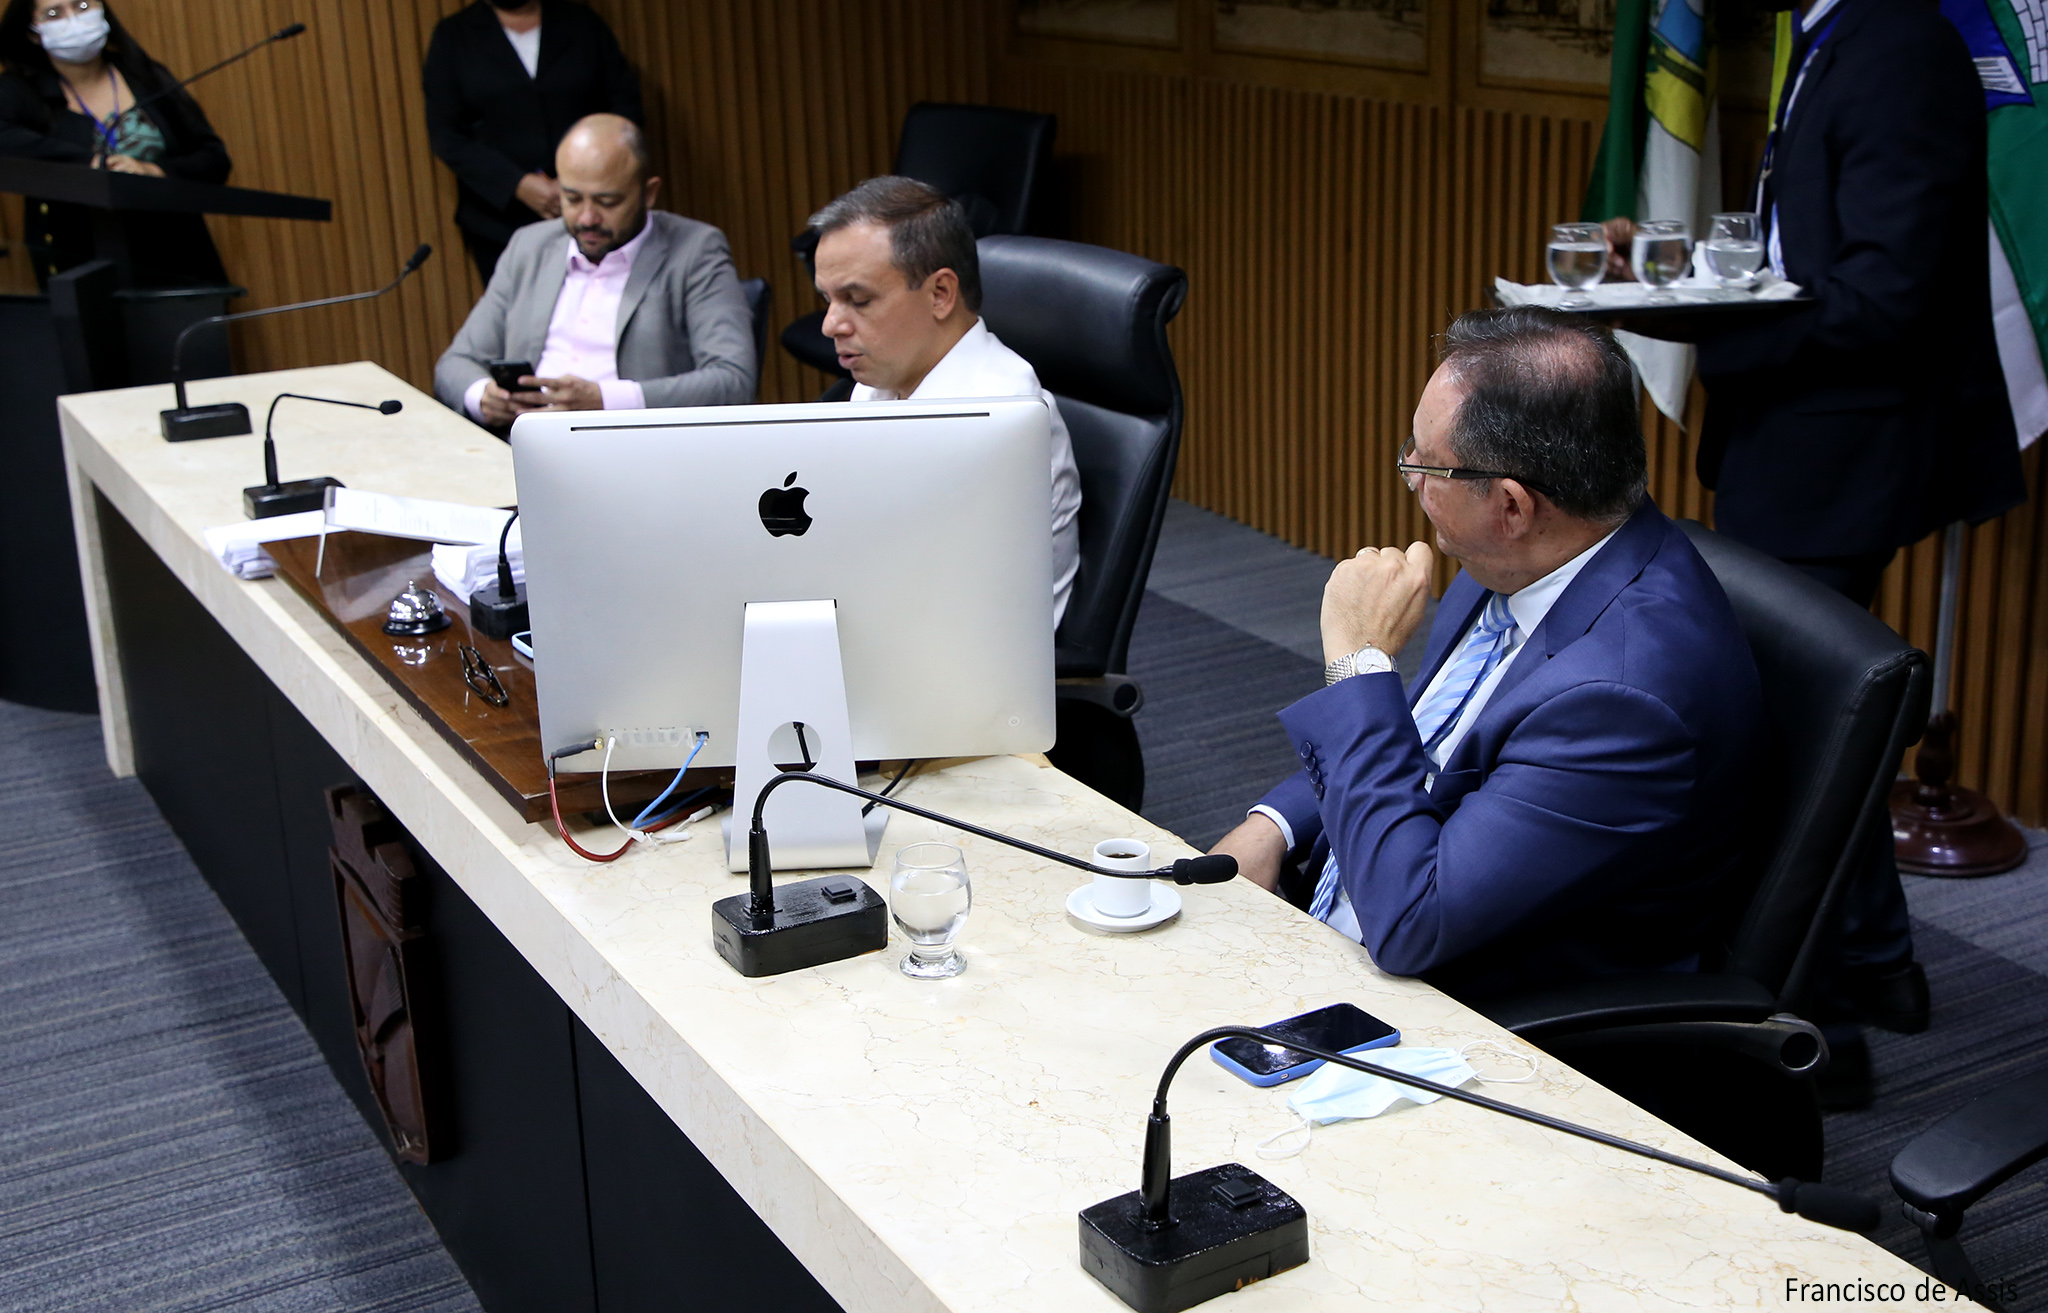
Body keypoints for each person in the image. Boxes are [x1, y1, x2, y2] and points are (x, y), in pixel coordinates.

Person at [1605, 0, 2020, 1043]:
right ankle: (1876, 963)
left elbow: (1888, 293)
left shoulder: (1899, 43)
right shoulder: (1835, 34)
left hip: (1840, 455)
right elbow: (1805, 250)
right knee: (1824, 724)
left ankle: (1816, 1026)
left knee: (1790, 733)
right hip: (1792, 444)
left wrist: (1710, 326)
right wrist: (1672, 275)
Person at [1209, 306, 1763, 1002]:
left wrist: (1356, 662)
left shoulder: (1621, 701)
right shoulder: (1520, 560)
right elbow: (1429, 740)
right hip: (1375, 901)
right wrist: (1276, 827)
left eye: (1423, 464)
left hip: (1471, 1010)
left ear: (1511, 506)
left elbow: (1412, 923)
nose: (1412, 481)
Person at [808, 176, 1083, 627]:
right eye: (828, 300)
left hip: (967, 649)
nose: (830, 325)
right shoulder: (882, 381)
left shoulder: (1000, 419)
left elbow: (958, 609)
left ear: (940, 294)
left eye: (857, 300)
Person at [435, 113, 756, 426]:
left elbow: (733, 379)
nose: (587, 218)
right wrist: (483, 397)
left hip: (633, 448)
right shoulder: (529, 246)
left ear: (648, 194)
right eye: (572, 199)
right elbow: (455, 363)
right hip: (524, 444)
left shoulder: (695, 250)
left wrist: (606, 401)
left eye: (607, 202)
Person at [0, 0, 230, 287]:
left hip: (177, 258)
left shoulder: (146, 76)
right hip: (80, 265)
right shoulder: (20, 91)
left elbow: (213, 157)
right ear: (32, 33)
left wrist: (154, 171)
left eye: (82, 5)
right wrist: (94, 164)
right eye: (54, 13)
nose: (73, 20)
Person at [423, 0, 641, 283]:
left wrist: (583, 180)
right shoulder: (453, 36)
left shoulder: (581, 22)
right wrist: (518, 184)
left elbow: (625, 109)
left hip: (596, 209)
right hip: (500, 222)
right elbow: (447, 135)